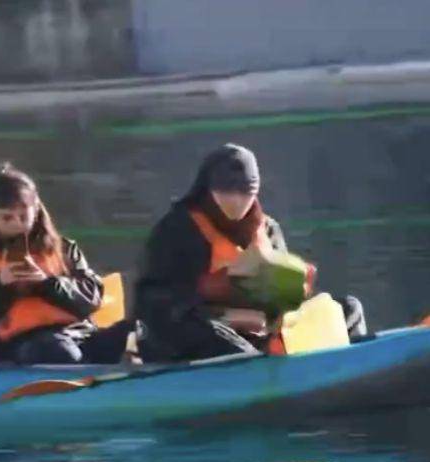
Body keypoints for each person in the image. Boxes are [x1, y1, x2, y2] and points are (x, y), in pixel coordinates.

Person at [135, 143, 366, 362]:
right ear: (207, 189)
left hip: (264, 331)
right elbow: (152, 305)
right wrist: (227, 315)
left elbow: (287, 301)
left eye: (246, 193)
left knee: (348, 308)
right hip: (199, 334)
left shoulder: (268, 229)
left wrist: (281, 305)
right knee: (213, 334)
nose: (237, 202)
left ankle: (356, 366)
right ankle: (259, 371)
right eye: (226, 193)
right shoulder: (177, 229)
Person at [0, 164, 125, 364]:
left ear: (36, 212)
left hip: (81, 335)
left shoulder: (64, 248)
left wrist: (46, 283)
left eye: (24, 216)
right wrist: (0, 285)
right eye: (7, 217)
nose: (17, 224)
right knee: (57, 351)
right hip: (27, 345)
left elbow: (91, 298)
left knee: (136, 329)